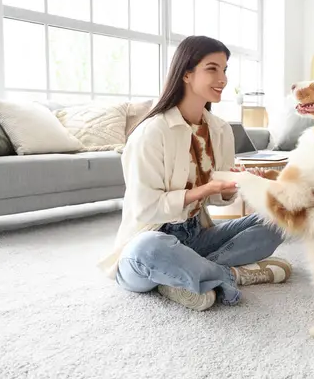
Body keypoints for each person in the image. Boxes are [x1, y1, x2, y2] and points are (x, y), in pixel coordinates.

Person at [97, 35, 291, 311]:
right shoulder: (151, 132)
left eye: (224, 70)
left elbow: (218, 197)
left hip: (195, 235)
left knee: (277, 219)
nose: (222, 78)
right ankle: (232, 275)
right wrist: (204, 190)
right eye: (212, 68)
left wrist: (236, 185)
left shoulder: (220, 129)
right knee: (150, 249)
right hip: (149, 239)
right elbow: (145, 208)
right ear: (186, 74)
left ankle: (187, 277)